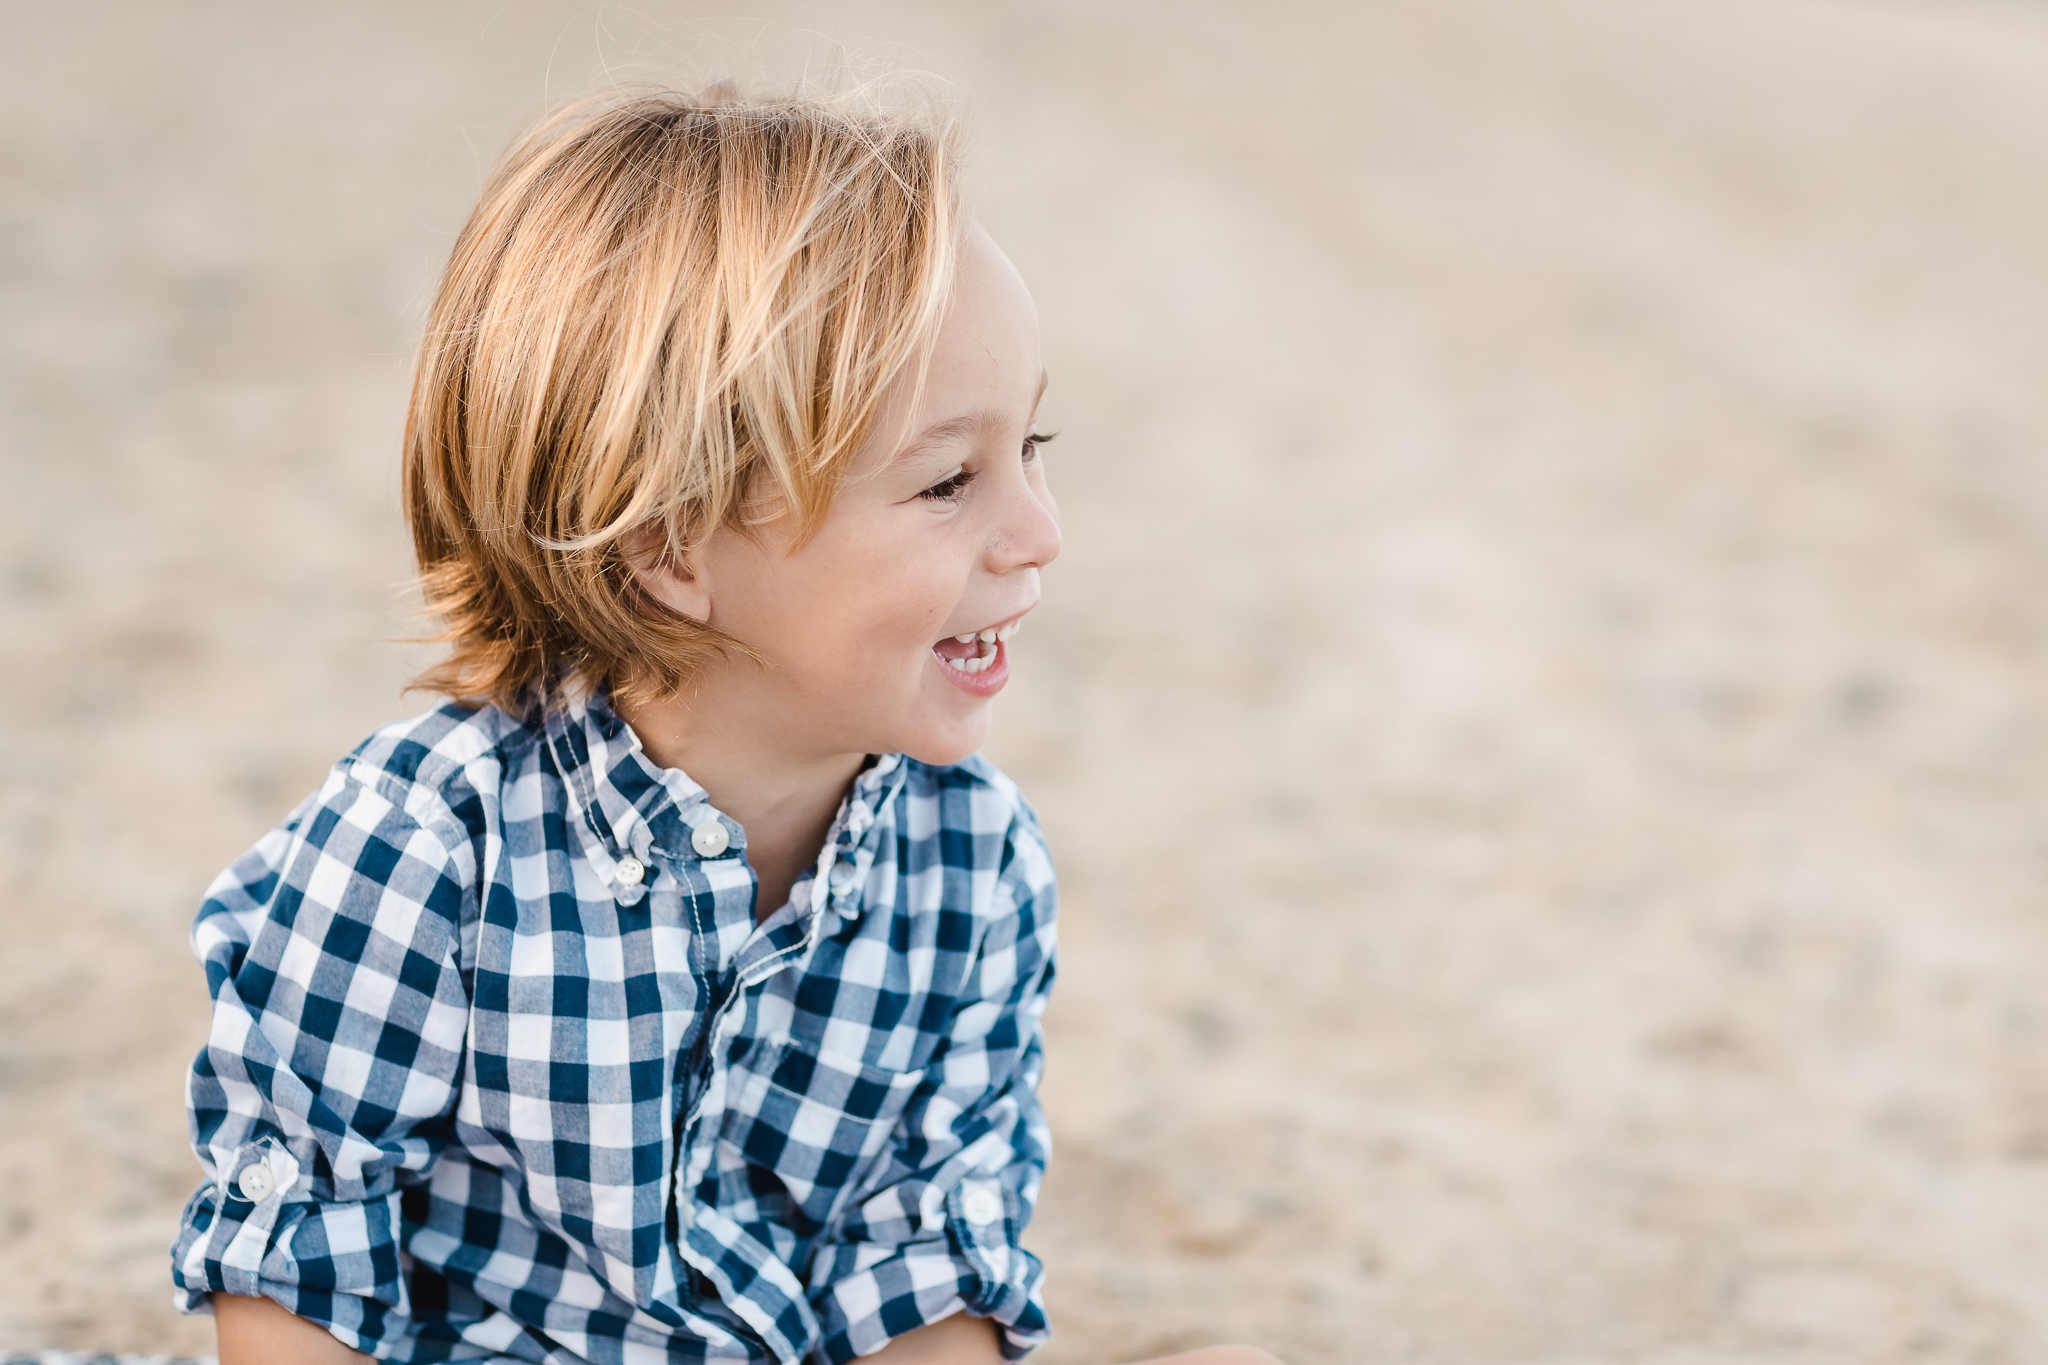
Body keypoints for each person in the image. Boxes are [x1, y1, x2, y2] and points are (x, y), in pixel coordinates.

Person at [168, 80, 1278, 1365]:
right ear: (669, 548)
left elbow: (921, 1257)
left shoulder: (972, 866)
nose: (1040, 531)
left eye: (1032, 445)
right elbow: (300, 1244)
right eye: (949, 480)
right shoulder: (427, 845)